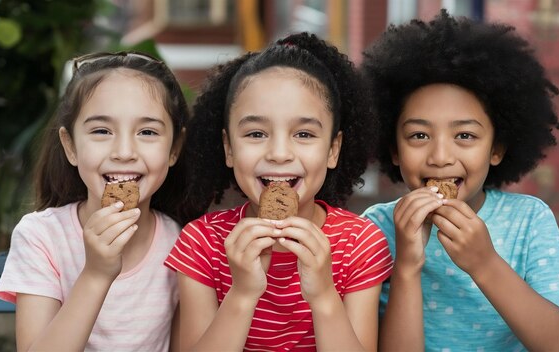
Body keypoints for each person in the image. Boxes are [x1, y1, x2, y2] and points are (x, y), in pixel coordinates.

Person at [360, 9, 559, 351]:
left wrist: (484, 263)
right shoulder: (374, 230)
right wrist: (407, 266)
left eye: (464, 135)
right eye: (419, 136)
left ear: (496, 149)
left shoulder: (528, 220)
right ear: (393, 150)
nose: (440, 156)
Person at [165, 32, 393, 351]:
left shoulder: (359, 244)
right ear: (228, 148)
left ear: (333, 149)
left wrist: (324, 296)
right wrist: (242, 294)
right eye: (257, 133)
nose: (279, 153)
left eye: (303, 133)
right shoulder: (203, 244)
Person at [0, 51, 189, 351]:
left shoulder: (183, 242)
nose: (124, 151)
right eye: (102, 131)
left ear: (174, 148)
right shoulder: (41, 237)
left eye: (147, 131)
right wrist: (96, 274)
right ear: (70, 146)